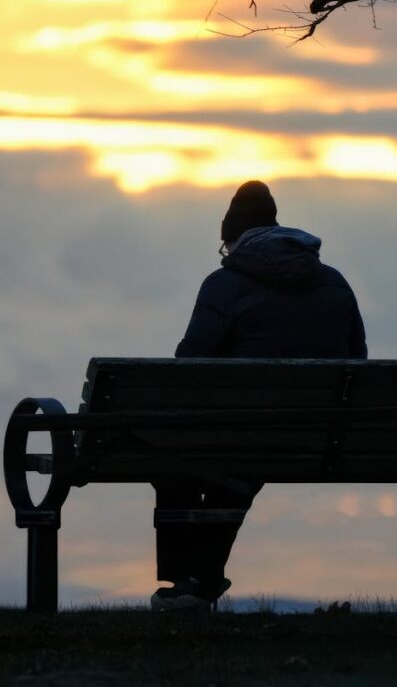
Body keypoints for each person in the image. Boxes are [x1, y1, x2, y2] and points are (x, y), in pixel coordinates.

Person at [151, 180, 366, 610]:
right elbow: (357, 360)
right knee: (234, 469)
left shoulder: (223, 286)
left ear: (233, 242)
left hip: (241, 435)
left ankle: (189, 584)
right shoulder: (335, 283)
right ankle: (197, 583)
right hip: (320, 439)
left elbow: (186, 370)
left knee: (173, 458)